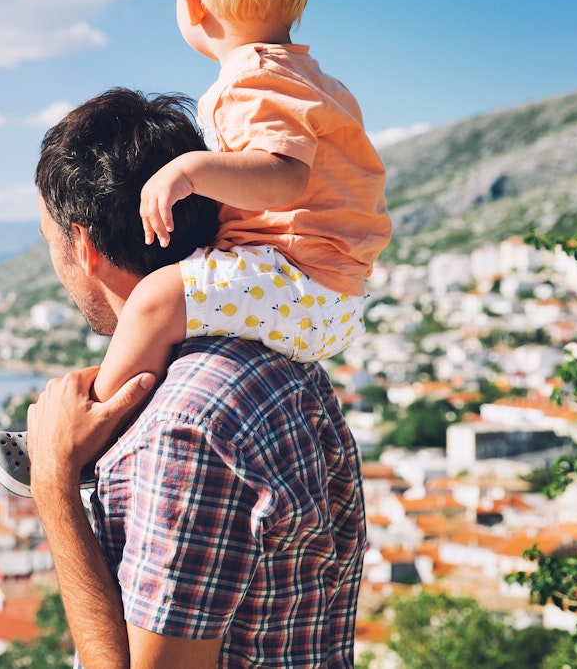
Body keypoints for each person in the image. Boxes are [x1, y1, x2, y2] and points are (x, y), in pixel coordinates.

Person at [0, 0, 390, 497]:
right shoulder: (315, 82)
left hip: (304, 284)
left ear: (194, 5)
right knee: (168, 317)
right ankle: (92, 402)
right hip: (328, 291)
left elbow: (285, 180)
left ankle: (84, 450)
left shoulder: (250, 82)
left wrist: (190, 170)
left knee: (155, 300)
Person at [23, 87, 366, 668]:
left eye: (48, 240)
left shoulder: (183, 428)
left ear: (81, 245)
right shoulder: (274, 353)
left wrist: (52, 481)